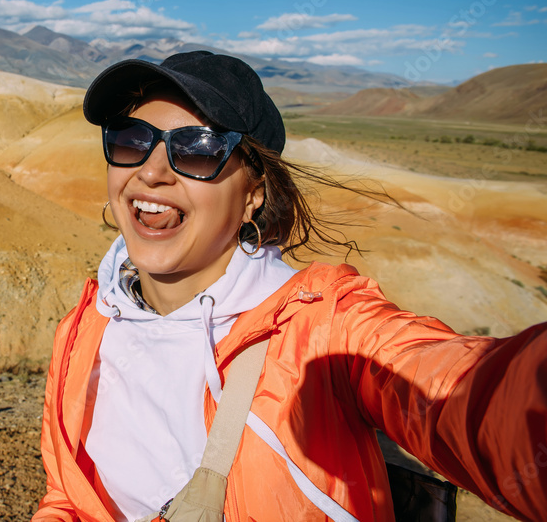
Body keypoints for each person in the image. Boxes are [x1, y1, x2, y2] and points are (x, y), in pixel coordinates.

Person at [33, 51, 547, 522]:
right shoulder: (85, 331)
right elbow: (67, 497)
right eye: (131, 140)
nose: (151, 172)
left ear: (253, 193)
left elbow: (469, 397)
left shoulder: (323, 331)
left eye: (197, 150)